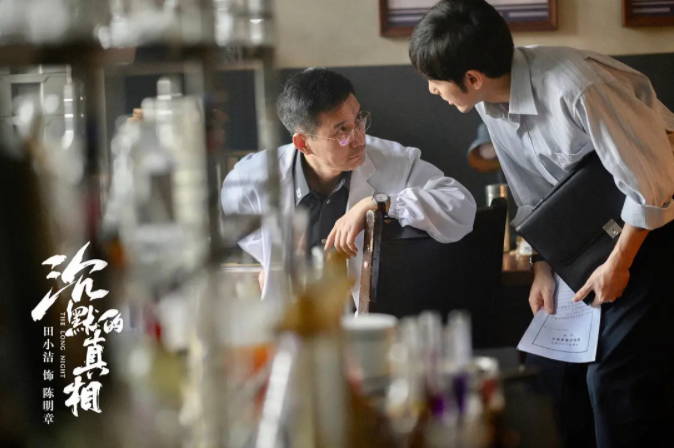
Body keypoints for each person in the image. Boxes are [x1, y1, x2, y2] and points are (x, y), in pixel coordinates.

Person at [409, 1, 674, 447]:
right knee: (547, 374)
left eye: (434, 81)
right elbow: (533, 192)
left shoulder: (578, 88)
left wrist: (620, 264)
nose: (433, 90)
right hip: (592, 237)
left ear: (472, 78)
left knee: (613, 381)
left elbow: (652, 186)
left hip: (654, 228)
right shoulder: (489, 101)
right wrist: (542, 266)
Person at [221, 67, 476, 308]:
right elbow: (235, 222)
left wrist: (380, 203)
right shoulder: (253, 177)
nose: (359, 139)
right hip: (295, 323)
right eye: (341, 131)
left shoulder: (395, 162)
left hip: (371, 321)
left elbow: (461, 207)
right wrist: (272, 261)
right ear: (303, 144)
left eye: (358, 120)